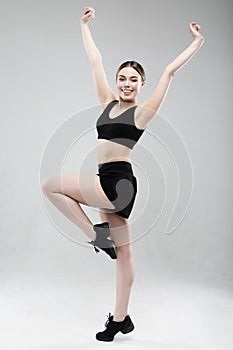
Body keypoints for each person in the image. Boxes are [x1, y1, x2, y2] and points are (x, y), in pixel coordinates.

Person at [41, 6, 204, 342]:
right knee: (125, 256)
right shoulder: (105, 101)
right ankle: (121, 319)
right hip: (107, 180)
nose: (127, 83)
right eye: (123, 78)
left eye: (134, 79)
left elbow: (169, 73)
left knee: (52, 185)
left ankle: (96, 236)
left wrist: (197, 42)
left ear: (141, 85)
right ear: (117, 81)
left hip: (119, 184)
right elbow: (95, 60)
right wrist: (83, 25)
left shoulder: (142, 113)